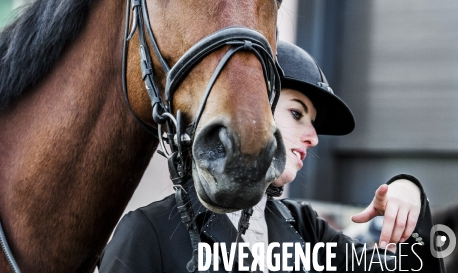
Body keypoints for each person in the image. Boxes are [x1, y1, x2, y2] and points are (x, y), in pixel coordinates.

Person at [98, 41, 445, 272]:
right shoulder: (147, 234)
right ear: (246, 108)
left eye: (313, 124)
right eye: (297, 114)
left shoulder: (305, 229)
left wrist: (410, 199)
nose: (313, 139)